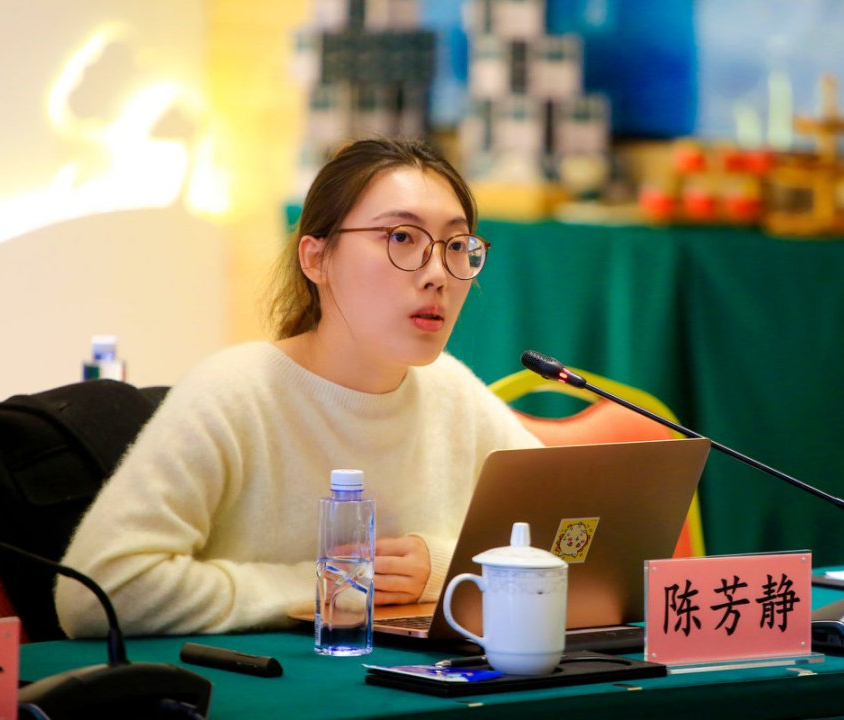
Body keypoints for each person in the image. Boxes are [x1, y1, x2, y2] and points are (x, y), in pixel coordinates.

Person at [55, 137, 542, 637]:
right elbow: (96, 593)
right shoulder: (234, 392)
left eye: (457, 246)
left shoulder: (451, 390)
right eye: (401, 237)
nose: (438, 274)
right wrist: (335, 583)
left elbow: (570, 533)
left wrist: (442, 567)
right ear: (316, 258)